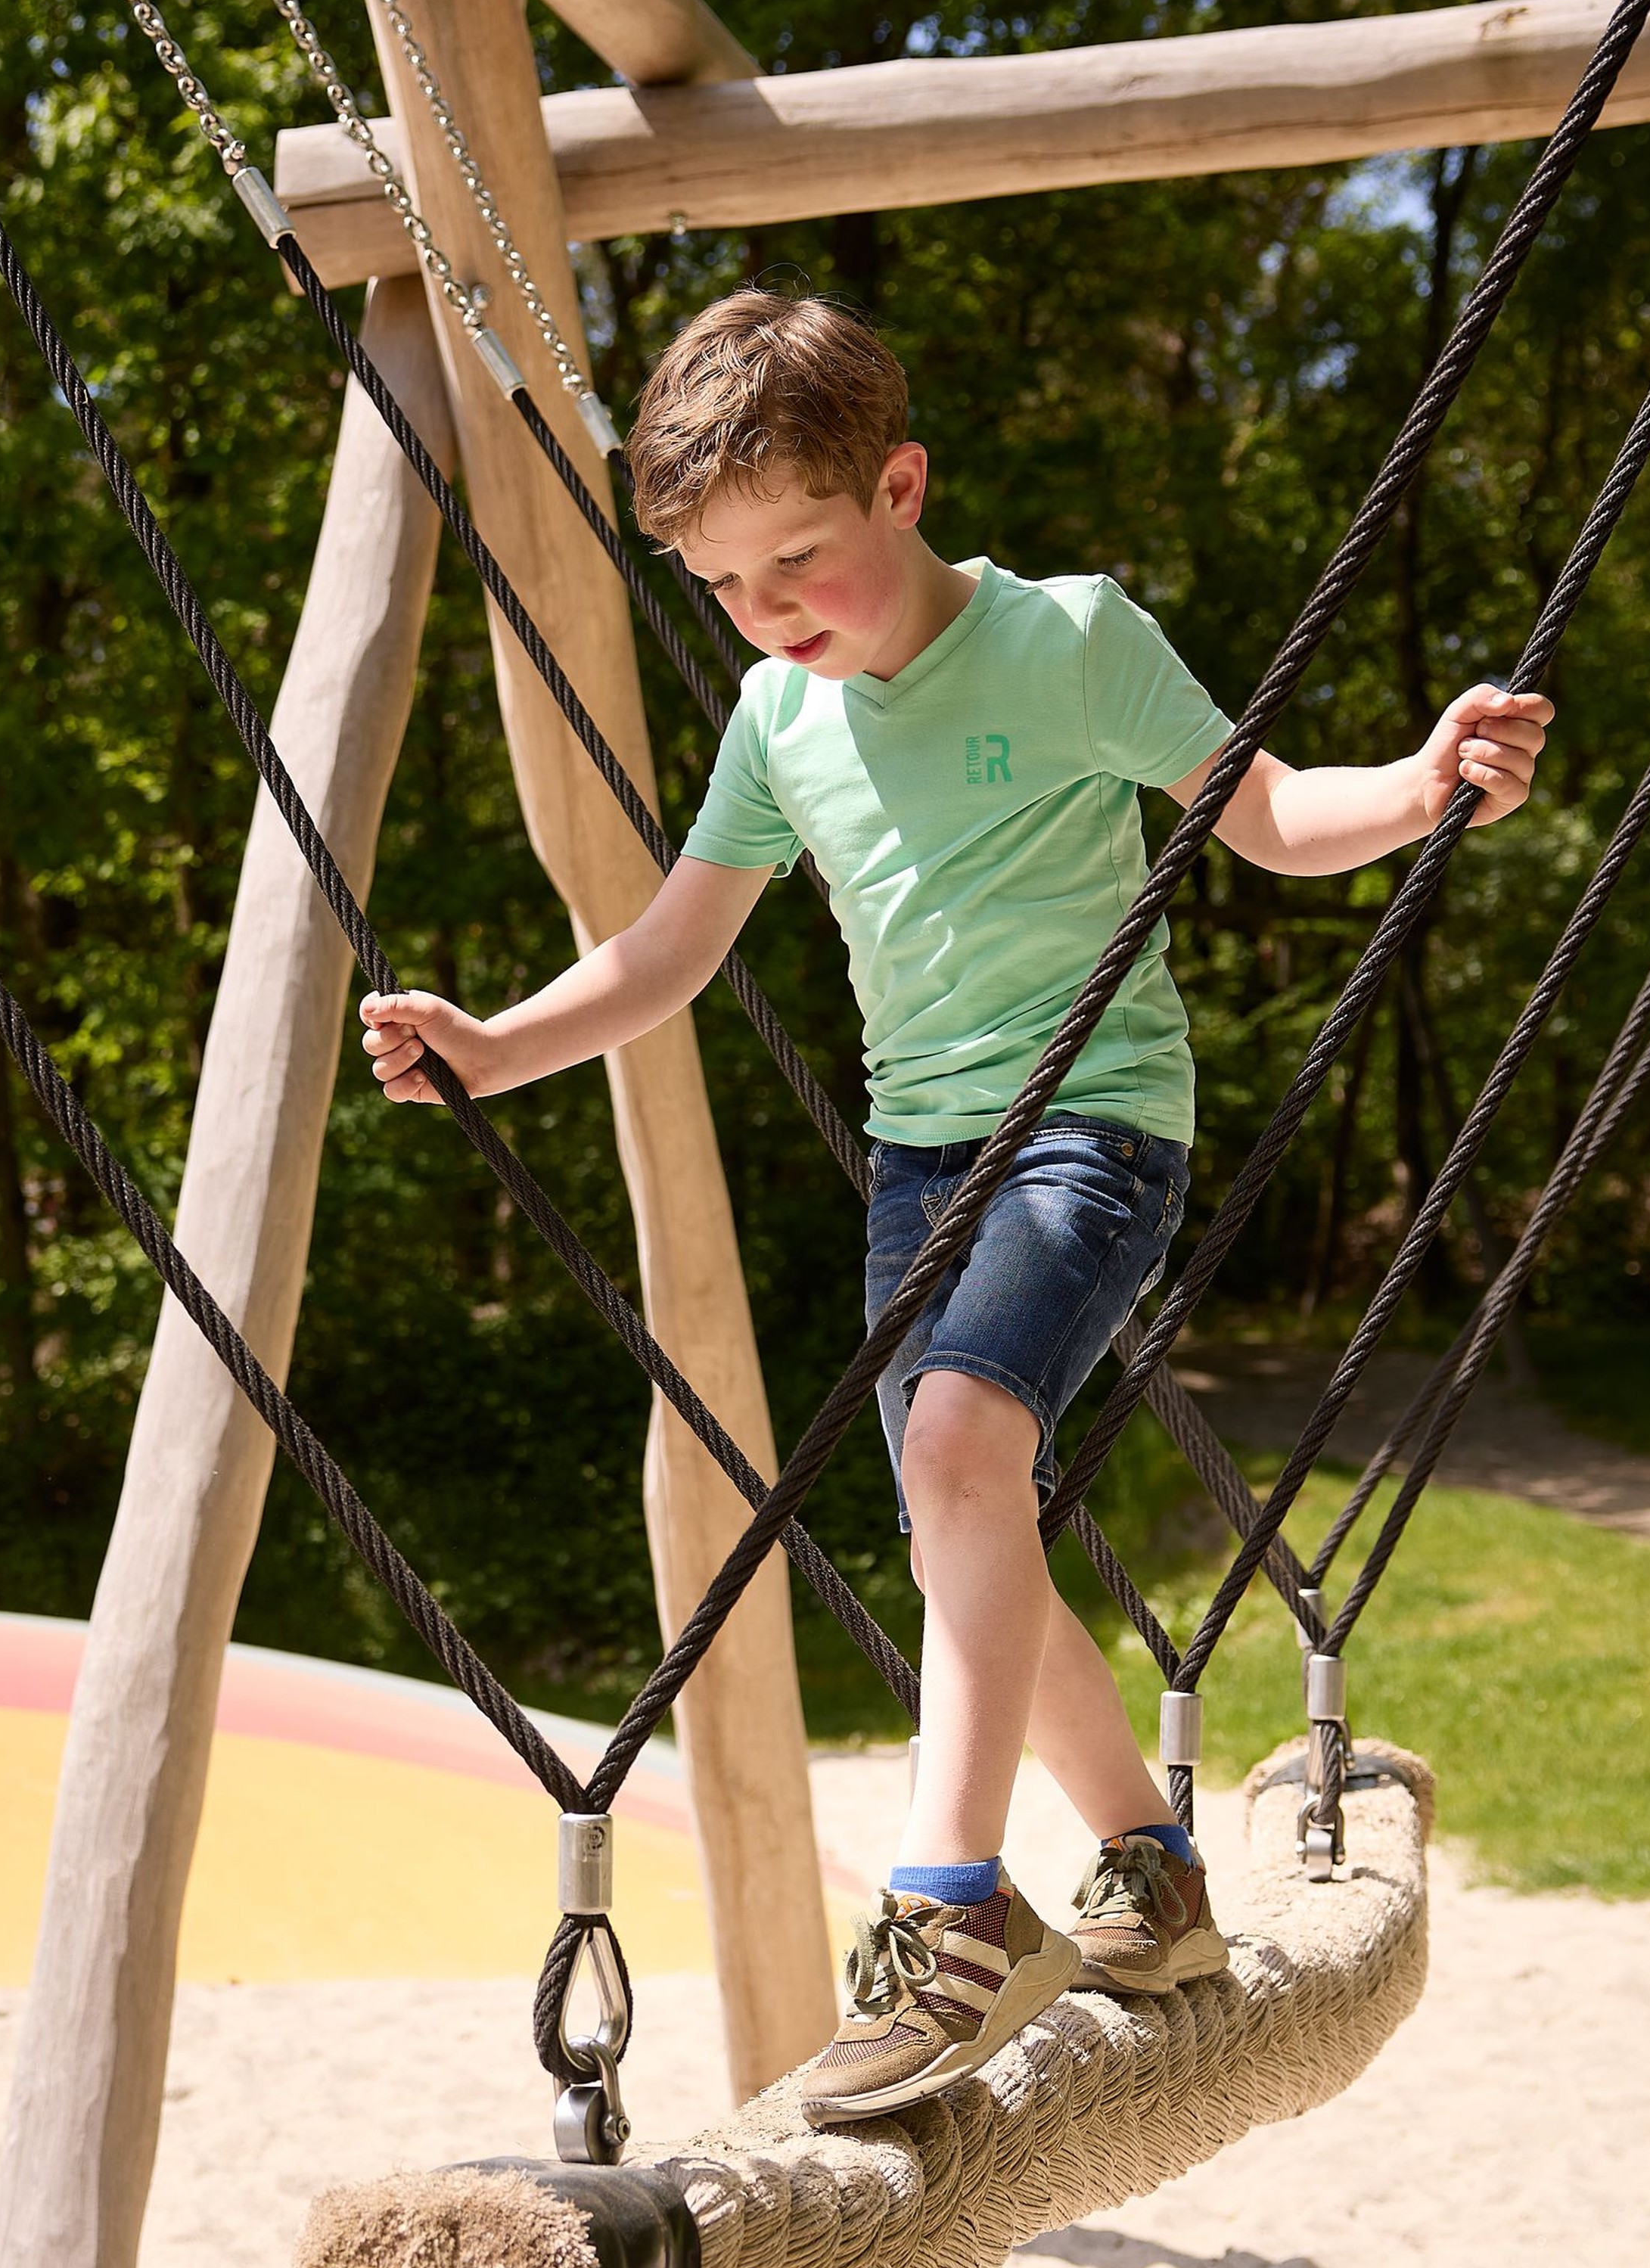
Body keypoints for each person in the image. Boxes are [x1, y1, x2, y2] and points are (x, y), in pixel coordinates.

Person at [360, 290, 1546, 2124]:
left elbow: (1274, 813)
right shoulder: (777, 718)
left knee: (965, 1451)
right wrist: (494, 1047)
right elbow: (673, 951)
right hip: (921, 1165)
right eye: (730, 588)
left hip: (1095, 1123)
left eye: (803, 562)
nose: (773, 614)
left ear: (900, 486)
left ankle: (947, 1916)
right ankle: (1148, 1868)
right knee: (956, 1520)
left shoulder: (1069, 639)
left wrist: (1422, 782)